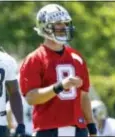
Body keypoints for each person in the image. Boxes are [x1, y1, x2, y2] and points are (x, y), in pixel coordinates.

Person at [19, 4, 97, 137]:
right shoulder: (34, 59)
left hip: (78, 130)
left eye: (66, 23)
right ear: (45, 27)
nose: (64, 27)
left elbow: (83, 96)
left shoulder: (77, 57)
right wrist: (60, 86)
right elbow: (31, 98)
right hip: (48, 131)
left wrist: (92, 127)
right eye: (59, 24)